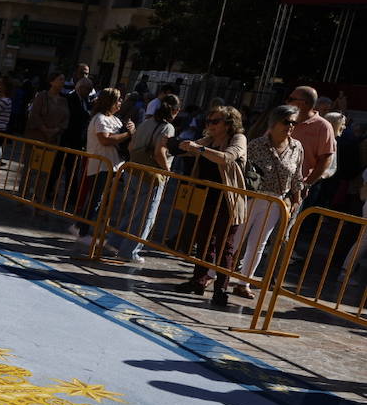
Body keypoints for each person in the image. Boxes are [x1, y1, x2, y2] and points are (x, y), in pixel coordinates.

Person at [172, 106, 249, 307]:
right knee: (204, 241)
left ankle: (221, 290)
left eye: (215, 121)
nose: (210, 125)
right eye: (208, 121)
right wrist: (181, 146)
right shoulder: (209, 140)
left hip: (229, 201)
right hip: (206, 199)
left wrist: (198, 149)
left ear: (229, 124)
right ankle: (198, 281)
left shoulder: (238, 139)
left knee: (226, 246)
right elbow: (191, 149)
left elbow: (226, 158)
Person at [228, 104, 303, 298]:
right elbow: (242, 171)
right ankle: (215, 274)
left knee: (259, 243)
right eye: (286, 122)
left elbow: (297, 175)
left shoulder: (297, 147)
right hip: (253, 197)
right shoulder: (256, 145)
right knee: (237, 238)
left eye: (294, 122)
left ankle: (244, 282)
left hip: (276, 201)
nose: (290, 126)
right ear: (274, 122)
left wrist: (296, 197)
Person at [115, 95, 178, 262]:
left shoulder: (145, 123)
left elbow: (130, 146)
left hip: (132, 169)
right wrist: (167, 170)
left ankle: (115, 243)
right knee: (145, 216)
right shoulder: (167, 128)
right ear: (176, 111)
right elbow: (159, 152)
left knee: (130, 211)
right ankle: (130, 251)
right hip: (151, 176)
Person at [72, 87, 133, 242]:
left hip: (114, 166)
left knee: (103, 201)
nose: (120, 102)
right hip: (101, 166)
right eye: (118, 99)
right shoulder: (99, 119)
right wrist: (127, 134)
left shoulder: (117, 120)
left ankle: (83, 227)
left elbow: (123, 140)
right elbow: (105, 140)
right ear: (110, 101)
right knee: (96, 200)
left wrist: (130, 130)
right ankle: (82, 231)